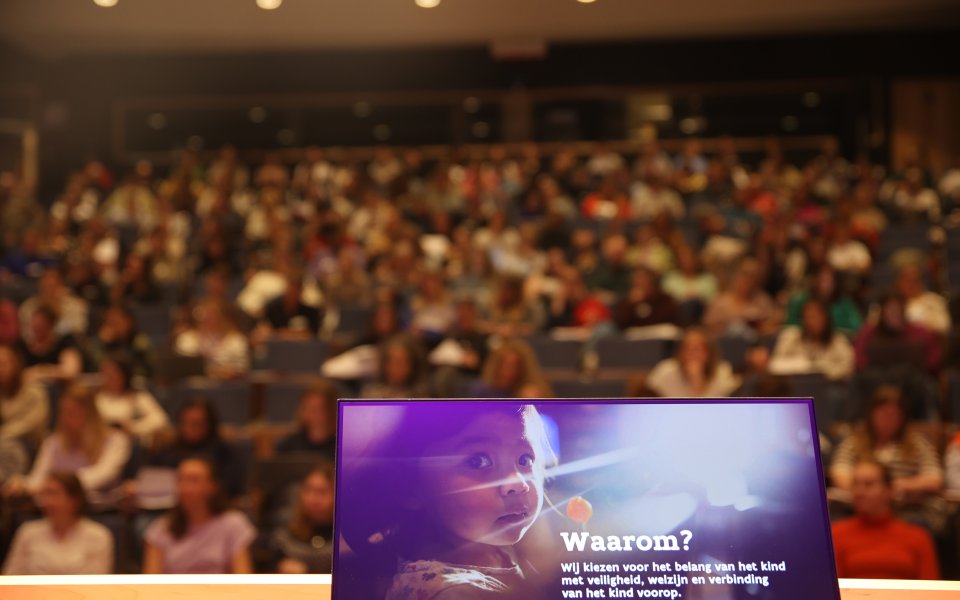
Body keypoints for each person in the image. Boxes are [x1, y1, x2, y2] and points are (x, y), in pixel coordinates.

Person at [339, 402, 556, 598]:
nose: (518, 483)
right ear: (411, 487)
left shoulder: (496, 547)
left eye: (525, 459)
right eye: (478, 461)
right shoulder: (450, 592)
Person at [830, 386, 944, 530]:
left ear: (903, 418)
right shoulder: (854, 442)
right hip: (858, 511)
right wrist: (866, 489)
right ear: (871, 415)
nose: (888, 419)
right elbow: (840, 473)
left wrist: (894, 487)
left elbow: (934, 479)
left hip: (906, 510)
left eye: (894, 415)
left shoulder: (917, 444)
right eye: (883, 414)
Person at [3, 384, 130, 505]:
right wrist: (22, 485)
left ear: (89, 413)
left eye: (72, 412)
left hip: (98, 509)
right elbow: (37, 479)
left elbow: (101, 475)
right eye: (63, 412)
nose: (65, 418)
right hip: (55, 510)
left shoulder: (116, 440)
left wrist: (56, 485)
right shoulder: (52, 442)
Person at [143, 457, 255, 574]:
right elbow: (151, 580)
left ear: (212, 486)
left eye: (193, 480)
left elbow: (243, 577)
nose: (185, 487)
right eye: (180, 480)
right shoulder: (161, 529)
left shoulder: (234, 525)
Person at [831, 461, 939, 580]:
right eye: (855, 484)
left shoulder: (918, 537)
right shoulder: (835, 534)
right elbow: (830, 585)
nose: (859, 492)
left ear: (889, 490)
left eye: (868, 484)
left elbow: (930, 586)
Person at [131, 398, 246, 500]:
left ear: (209, 424)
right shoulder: (167, 452)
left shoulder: (224, 453)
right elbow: (148, 479)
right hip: (165, 508)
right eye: (185, 423)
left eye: (196, 423)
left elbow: (232, 488)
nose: (189, 428)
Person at [2, 471, 114, 575]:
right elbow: (11, 577)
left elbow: (97, 582)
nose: (46, 501)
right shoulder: (28, 532)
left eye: (53, 494)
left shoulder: (98, 535)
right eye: (44, 494)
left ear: (75, 499)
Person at [269, 464, 335, 574]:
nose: (313, 499)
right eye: (308, 490)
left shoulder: (347, 543)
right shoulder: (284, 538)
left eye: (322, 492)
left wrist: (308, 571)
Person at [769, 299, 855, 381]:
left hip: (827, 385)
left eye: (817, 316)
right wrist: (802, 366)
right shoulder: (790, 336)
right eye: (809, 317)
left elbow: (848, 366)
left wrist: (823, 371)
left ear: (826, 318)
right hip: (796, 384)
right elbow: (776, 364)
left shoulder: (837, 340)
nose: (813, 321)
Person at [645, 327, 741, 398]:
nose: (691, 354)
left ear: (709, 352)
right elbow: (648, 397)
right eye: (687, 348)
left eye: (697, 349)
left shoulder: (721, 371)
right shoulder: (666, 370)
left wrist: (697, 379)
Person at [94, 353, 169, 443]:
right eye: (105, 373)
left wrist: (133, 427)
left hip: (130, 443)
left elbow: (160, 420)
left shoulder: (138, 397)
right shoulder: (96, 398)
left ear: (124, 375)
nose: (108, 378)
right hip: (101, 442)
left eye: (112, 374)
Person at [702, 258, 781, 338]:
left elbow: (773, 324)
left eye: (751, 278)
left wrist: (759, 326)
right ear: (735, 277)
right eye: (743, 276)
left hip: (757, 341)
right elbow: (708, 327)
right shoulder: (720, 302)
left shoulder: (763, 301)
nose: (746, 281)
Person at [173, 300, 250, 379]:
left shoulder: (237, 341)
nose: (208, 320)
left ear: (224, 319)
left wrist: (218, 372)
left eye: (213, 316)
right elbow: (181, 367)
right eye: (205, 316)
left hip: (226, 385)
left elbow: (242, 371)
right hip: (193, 384)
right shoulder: (187, 339)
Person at [15, 304, 83, 381]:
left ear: (51, 325)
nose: (37, 329)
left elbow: (70, 371)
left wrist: (39, 371)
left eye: (41, 325)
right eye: (34, 325)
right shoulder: (22, 346)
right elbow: (15, 373)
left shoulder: (65, 343)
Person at [274, 381, 338, 460]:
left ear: (331, 410)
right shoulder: (287, 447)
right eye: (308, 408)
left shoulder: (340, 447)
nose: (311, 414)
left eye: (318, 409)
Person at [0, 344, 48, 445]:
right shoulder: (2, 392)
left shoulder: (34, 391)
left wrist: (4, 433)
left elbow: (32, 424)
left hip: (28, 444)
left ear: (15, 364)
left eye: (3, 364)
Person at [469, 339, 547, 399]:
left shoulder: (530, 390)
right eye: (505, 365)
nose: (508, 371)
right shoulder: (482, 389)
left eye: (515, 366)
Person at [360, 335, 430, 399]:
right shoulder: (370, 394)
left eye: (400, 363)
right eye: (391, 361)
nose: (395, 367)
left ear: (413, 365)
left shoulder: (421, 397)